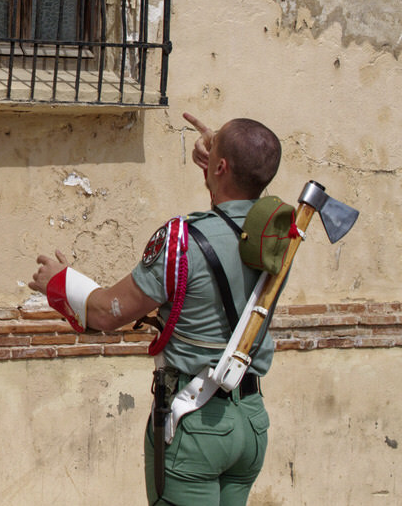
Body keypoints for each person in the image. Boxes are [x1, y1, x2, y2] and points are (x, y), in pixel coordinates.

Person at [28, 113, 282, 506]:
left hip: (195, 423)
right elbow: (249, 177)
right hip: (251, 421)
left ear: (220, 166)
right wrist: (222, 156)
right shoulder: (277, 234)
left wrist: (60, 282)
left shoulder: (182, 240)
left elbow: (107, 313)